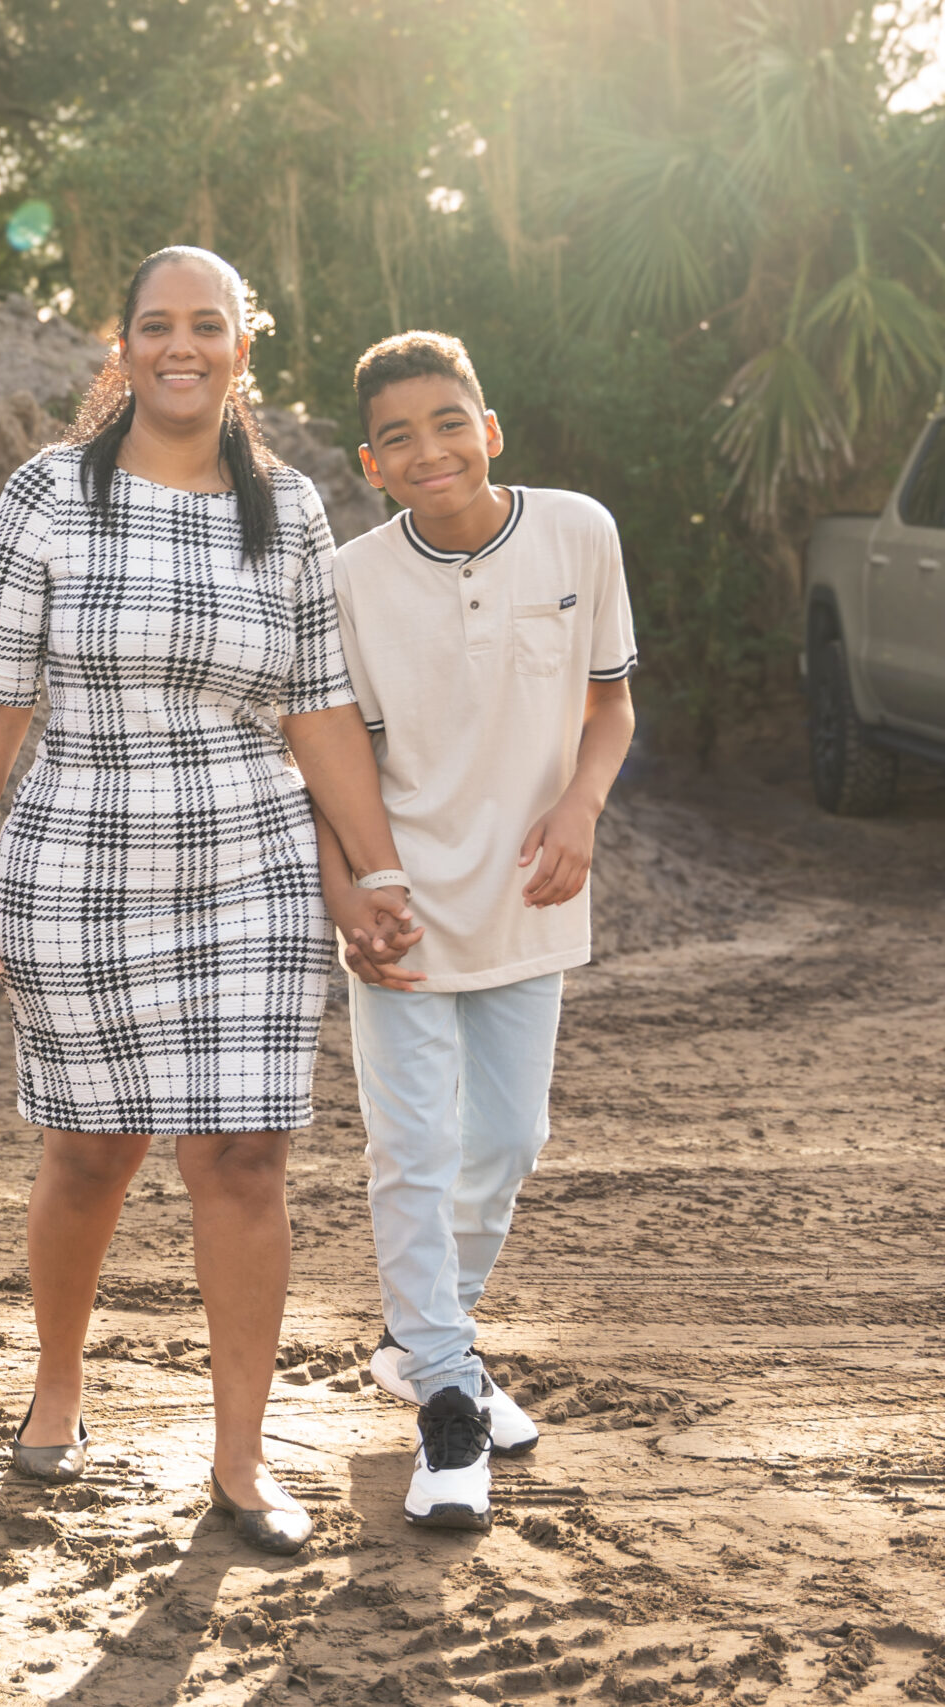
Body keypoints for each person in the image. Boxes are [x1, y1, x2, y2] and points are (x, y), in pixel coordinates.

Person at [0, 245, 415, 1556]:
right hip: (75, 865)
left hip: (249, 867)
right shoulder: (46, 494)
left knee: (245, 1153)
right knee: (91, 1150)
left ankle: (241, 1460)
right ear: (123, 344)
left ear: (243, 344)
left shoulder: (292, 510)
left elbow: (318, 708)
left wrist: (374, 870)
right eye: (157, 324)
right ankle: (58, 1385)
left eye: (207, 324)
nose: (181, 345)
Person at [326, 330, 637, 1530]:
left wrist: (579, 808)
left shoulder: (577, 532)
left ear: (488, 428)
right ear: (371, 462)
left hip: (530, 894)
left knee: (507, 1138)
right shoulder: (350, 576)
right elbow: (327, 754)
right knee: (410, 1152)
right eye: (397, 438)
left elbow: (608, 703)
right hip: (397, 907)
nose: (429, 451)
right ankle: (446, 1407)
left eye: (448, 423)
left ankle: (422, 1339)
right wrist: (346, 892)